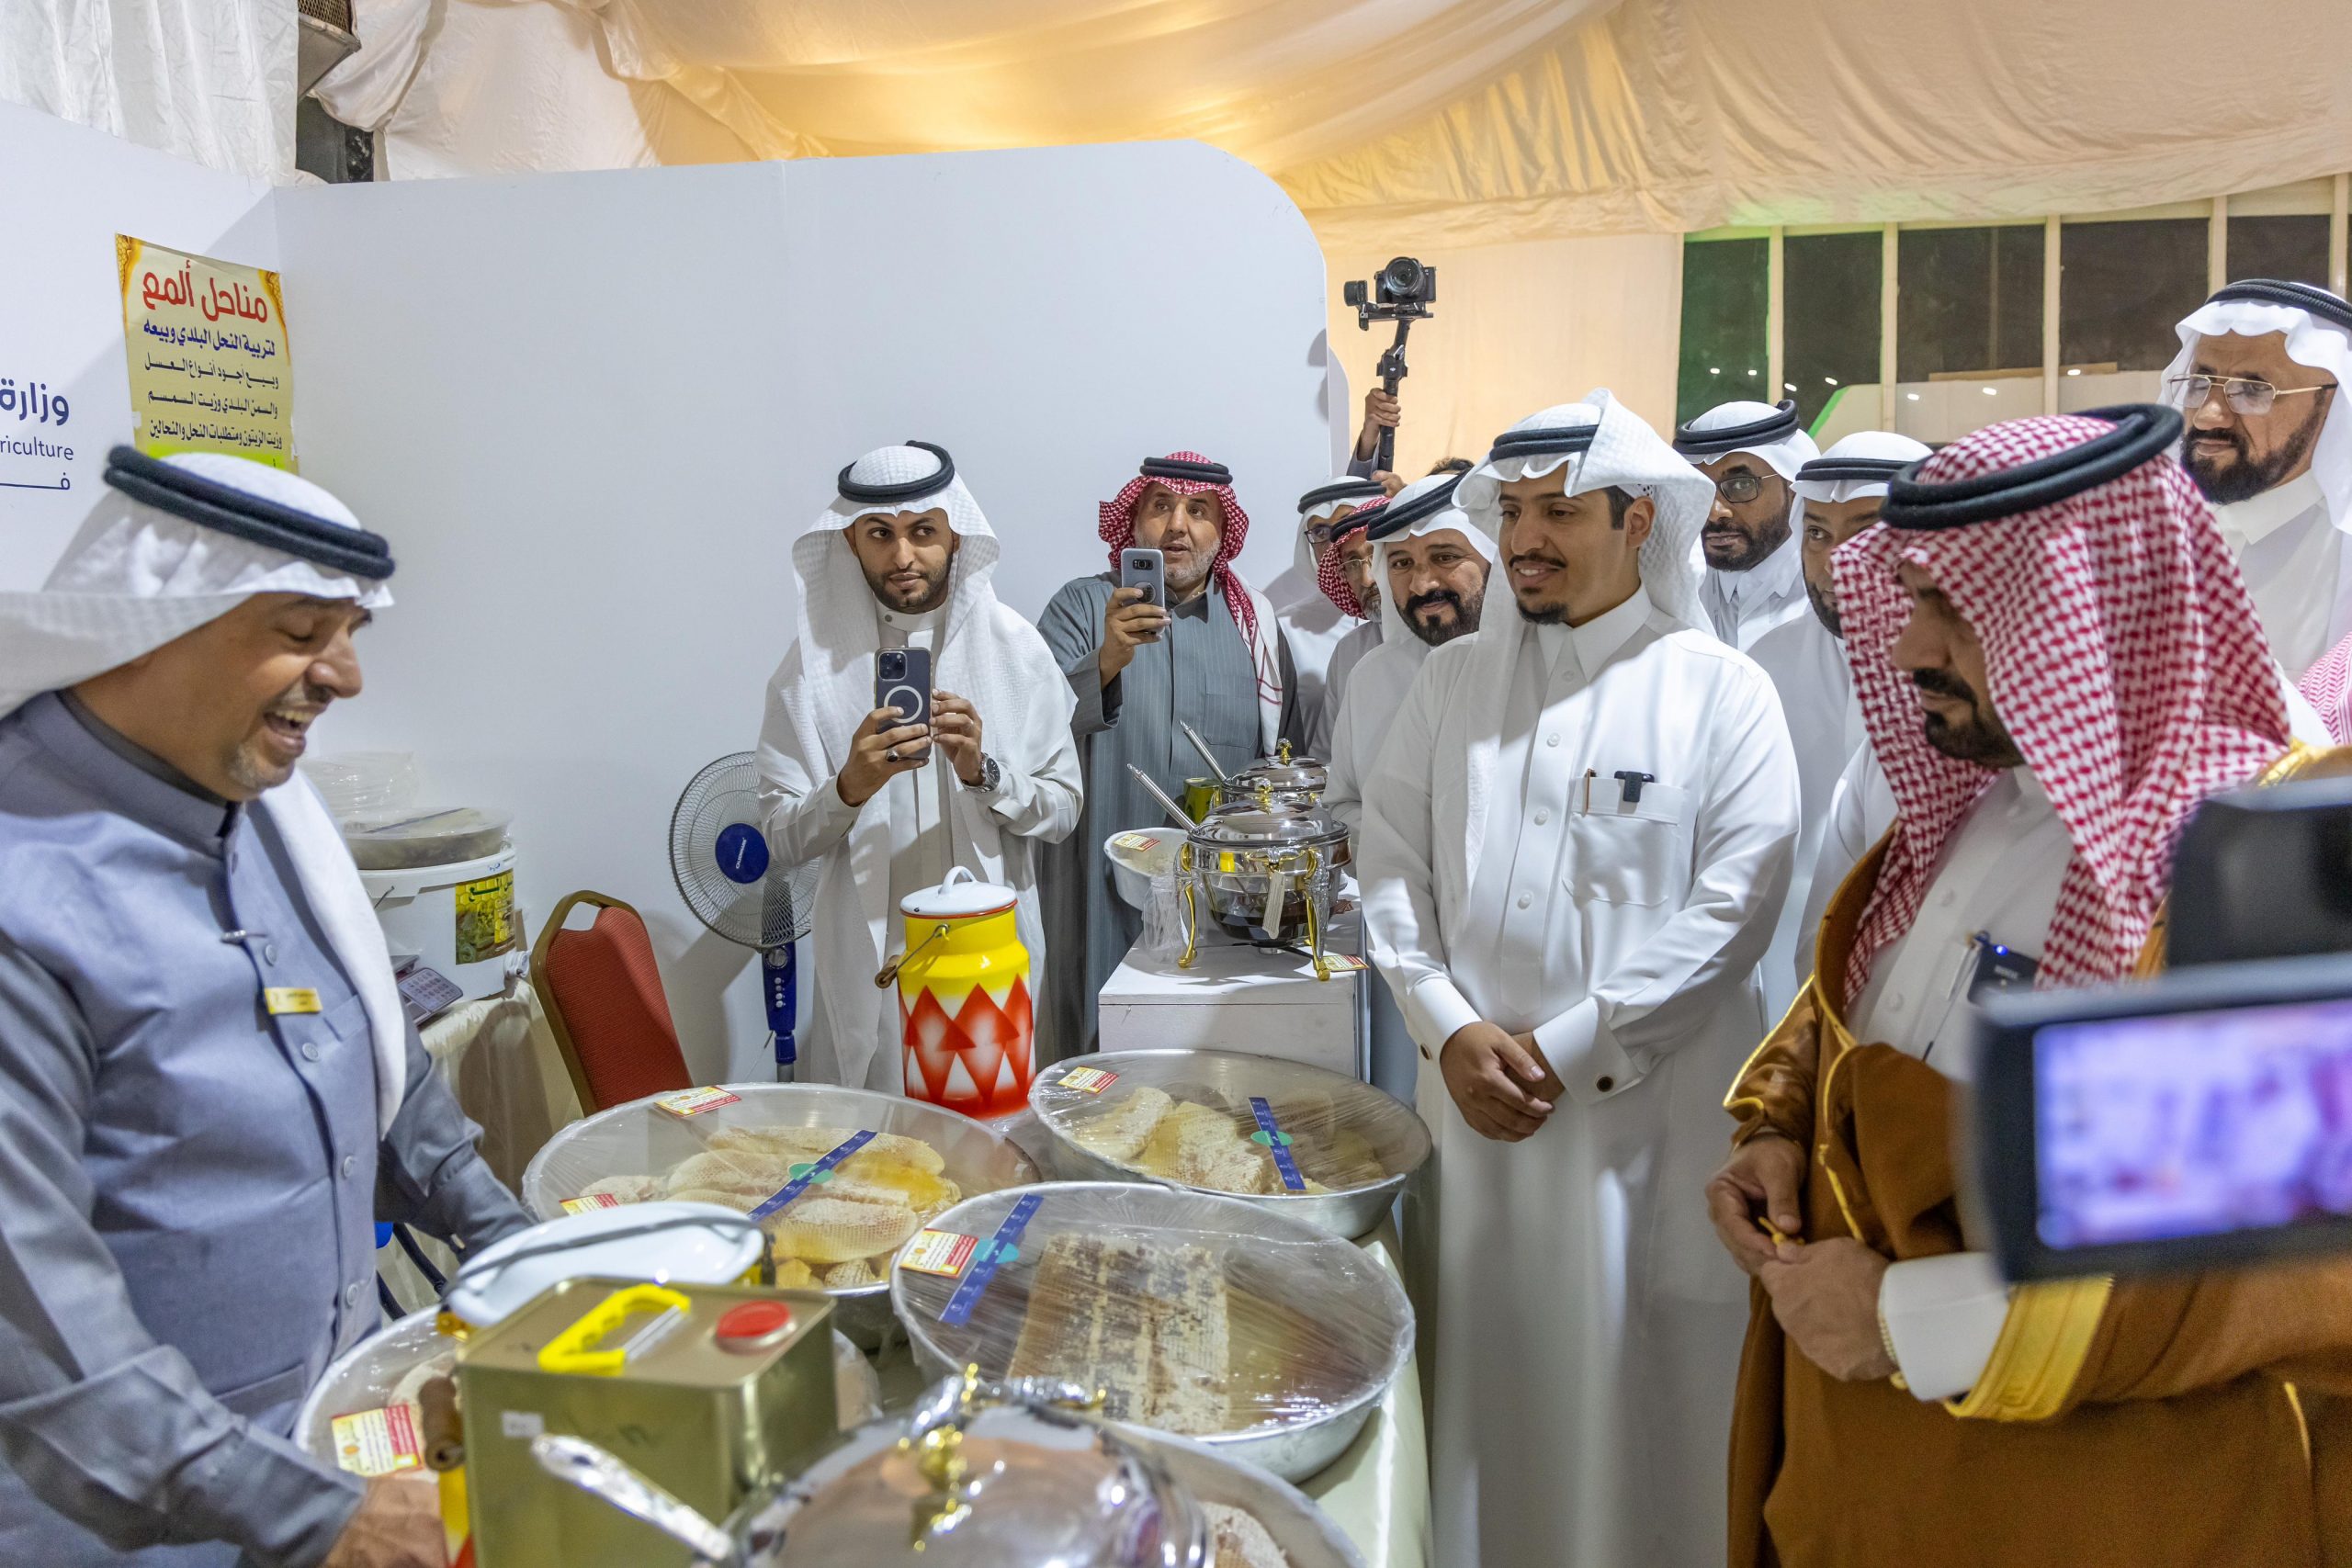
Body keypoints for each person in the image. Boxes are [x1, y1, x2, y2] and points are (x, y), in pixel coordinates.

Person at [1710, 406, 2352, 1568]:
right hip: (1870, 1483)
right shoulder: (1979, 797)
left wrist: (1904, 1322)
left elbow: (2280, 1261)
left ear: (2091, 605)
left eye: (1953, 606)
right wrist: (1779, 1128)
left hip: (2105, 1504)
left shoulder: (2267, 861)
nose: (1905, 649)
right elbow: (1858, 1005)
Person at [0, 447, 533, 1567]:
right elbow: (29, 1308)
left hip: (334, 1448)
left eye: (350, 633)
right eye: (301, 633)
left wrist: (504, 1235)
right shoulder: (23, 885)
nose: (344, 677)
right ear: (148, 625)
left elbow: (372, 1036)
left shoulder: (261, 809)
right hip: (142, 1525)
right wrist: (311, 1513)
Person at [1361, 391, 1800, 1568]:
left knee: (1634, 1417)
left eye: (1558, 512)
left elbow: (1735, 908)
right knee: (1484, 1401)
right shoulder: (1451, 686)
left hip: (1638, 1136)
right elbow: (1390, 867)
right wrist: (1442, 1022)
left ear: (1637, 520)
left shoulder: (1718, 690)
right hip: (1473, 1129)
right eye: (1510, 512)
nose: (1524, 539)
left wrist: (1566, 1052)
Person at [757, 442, 1082, 1099]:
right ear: (850, 541)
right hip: (872, 971)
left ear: (955, 535)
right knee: (879, 1141)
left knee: (989, 1132)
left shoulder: (1016, 651)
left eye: (923, 531)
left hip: (990, 958)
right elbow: (777, 840)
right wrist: (847, 788)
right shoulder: (811, 671)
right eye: (880, 534)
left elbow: (1063, 810)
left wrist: (984, 773)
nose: (902, 555)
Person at [1037, 453, 1297, 1053]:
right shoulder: (1080, 607)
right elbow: (1033, 726)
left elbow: (1282, 762)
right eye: (1161, 506)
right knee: (1095, 1056)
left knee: (1220, 1062)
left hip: (1224, 904)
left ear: (1223, 531)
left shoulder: (1255, 630)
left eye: (1198, 510)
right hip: (1097, 893)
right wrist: (1107, 659)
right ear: (1133, 523)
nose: (1178, 525)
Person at [1320, 471, 1491, 1103]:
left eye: (1445, 557)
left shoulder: (1539, 675)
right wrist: (1405, 846)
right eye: (1401, 564)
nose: (1422, 584)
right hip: (1403, 953)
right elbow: (1341, 802)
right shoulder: (1372, 676)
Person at [1762, 431, 1928, 987]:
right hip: (1762, 965)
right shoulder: (1761, 667)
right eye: (1817, 534)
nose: (1836, 563)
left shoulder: (1961, 681)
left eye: (1867, 533)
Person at [2164, 277, 2352, 677]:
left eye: (2252, 390)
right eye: (2199, 384)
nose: (2208, 416)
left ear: (2333, 403)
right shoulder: (2152, 535)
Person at [1270, 476, 1388, 729]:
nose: (1337, 538)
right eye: (1321, 532)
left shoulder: (1422, 618)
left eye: (1350, 522)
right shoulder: (1286, 628)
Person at [1305, 495, 1387, 757]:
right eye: (1353, 564)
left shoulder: (1448, 636)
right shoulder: (1349, 650)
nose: (1366, 579)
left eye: (1377, 556)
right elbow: (1326, 755)